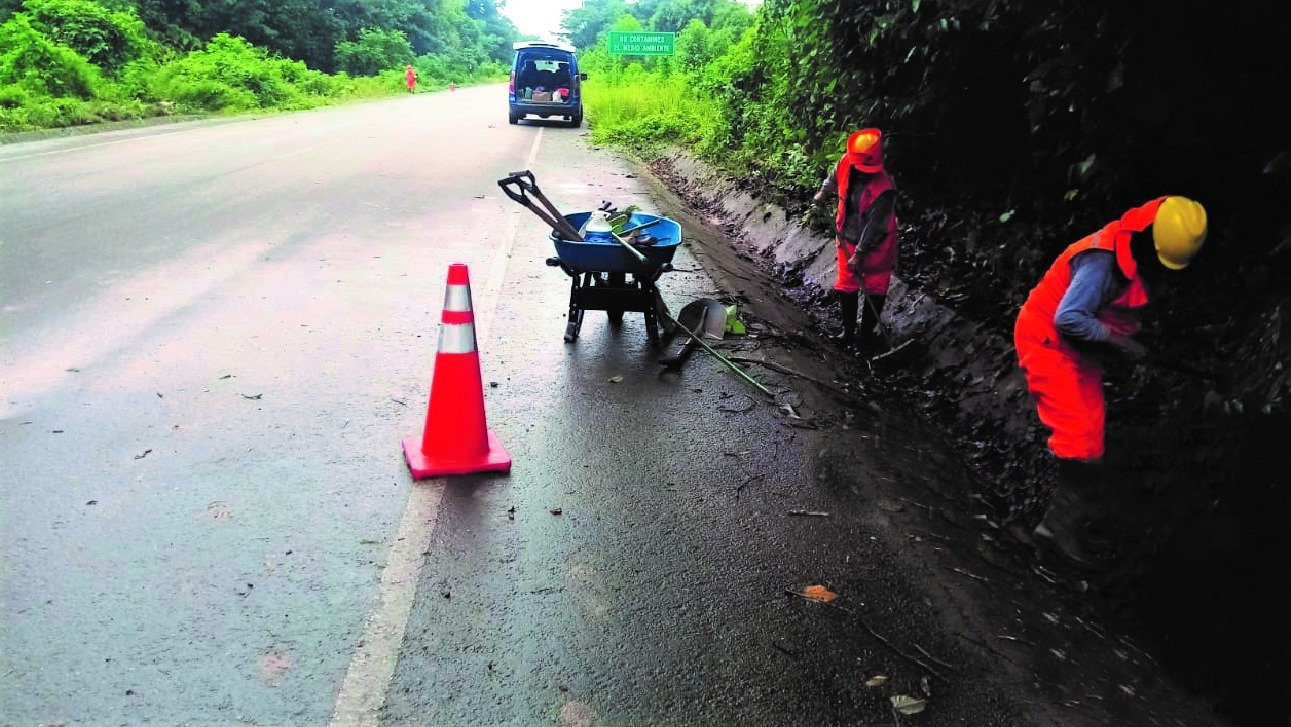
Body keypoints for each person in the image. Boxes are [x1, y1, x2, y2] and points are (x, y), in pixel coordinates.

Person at [1013, 196, 1208, 570]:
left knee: (1092, 439)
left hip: (1075, 349)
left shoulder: (1142, 246)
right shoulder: (1101, 263)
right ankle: (1049, 527)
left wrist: (1124, 344)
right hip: (1047, 340)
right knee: (1081, 444)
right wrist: (1121, 343)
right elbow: (1068, 318)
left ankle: (1053, 524)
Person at [811, 128, 899, 352]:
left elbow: (874, 227)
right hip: (847, 237)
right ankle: (848, 331)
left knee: (875, 288)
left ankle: (866, 337)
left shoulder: (885, 190)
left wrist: (860, 254)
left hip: (877, 246)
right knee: (847, 285)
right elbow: (833, 178)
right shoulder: (845, 162)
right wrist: (823, 193)